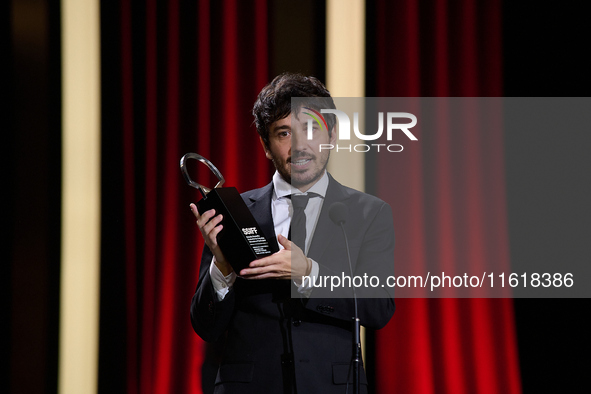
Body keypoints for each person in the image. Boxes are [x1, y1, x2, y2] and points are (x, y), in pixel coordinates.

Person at [190, 73, 395, 394]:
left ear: (332, 133)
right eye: (284, 133)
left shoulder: (369, 213)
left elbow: (378, 308)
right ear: (265, 145)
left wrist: (310, 273)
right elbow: (206, 327)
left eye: (311, 128)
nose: (300, 146)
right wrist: (222, 269)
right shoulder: (234, 212)